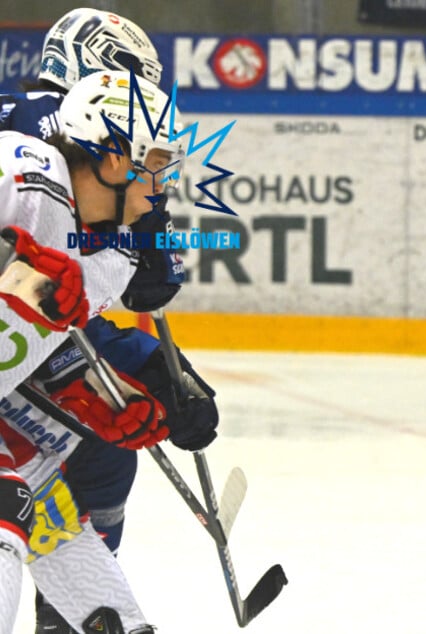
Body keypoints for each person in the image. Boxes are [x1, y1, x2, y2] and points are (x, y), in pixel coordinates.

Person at [0, 10, 219, 631]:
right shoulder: (27, 166)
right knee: (10, 506)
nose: (166, 184)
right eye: (154, 163)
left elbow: (46, 323)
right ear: (109, 153)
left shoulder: (112, 250)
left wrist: (92, 377)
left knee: (55, 502)